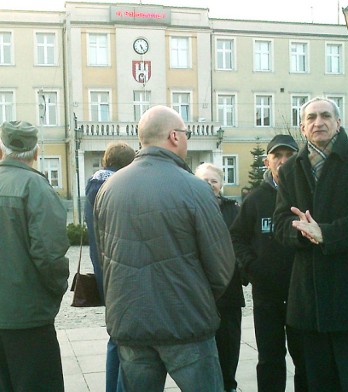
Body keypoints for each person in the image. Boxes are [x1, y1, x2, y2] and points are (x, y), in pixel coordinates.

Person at [93, 105, 235, 392]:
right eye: (186, 133)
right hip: (186, 322)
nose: (186, 139)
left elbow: (103, 256)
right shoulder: (196, 189)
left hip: (131, 321)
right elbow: (221, 265)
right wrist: (199, 297)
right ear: (174, 136)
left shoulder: (109, 188)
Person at [273, 97, 348, 391]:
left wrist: (326, 233)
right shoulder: (290, 170)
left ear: (338, 123)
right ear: (302, 127)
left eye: (326, 115)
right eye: (311, 117)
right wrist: (303, 231)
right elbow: (279, 225)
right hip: (309, 303)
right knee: (316, 384)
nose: (318, 122)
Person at [0, 120, 70, 392]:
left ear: (0, 150)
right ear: (36, 152)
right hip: (30, 314)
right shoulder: (38, 188)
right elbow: (50, 256)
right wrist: (55, 290)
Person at [229, 134, 307, 392]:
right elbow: (236, 237)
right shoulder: (255, 199)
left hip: (302, 292)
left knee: (306, 361)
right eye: (278, 156)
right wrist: (252, 267)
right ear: (267, 161)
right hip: (267, 296)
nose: (284, 161)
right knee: (270, 360)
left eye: (289, 156)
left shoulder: (308, 194)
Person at [85, 141, 135, 392]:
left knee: (115, 337)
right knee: (124, 341)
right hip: (119, 272)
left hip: (103, 270)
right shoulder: (116, 186)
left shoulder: (94, 183)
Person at [194, 162, 244, 392]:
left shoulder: (234, 210)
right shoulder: (189, 207)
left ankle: (228, 385)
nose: (210, 185)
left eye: (214, 181)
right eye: (204, 180)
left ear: (221, 184)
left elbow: (243, 242)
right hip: (198, 292)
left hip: (229, 292)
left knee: (229, 344)